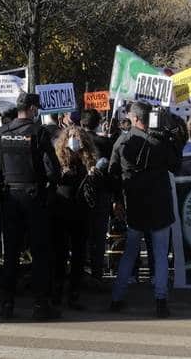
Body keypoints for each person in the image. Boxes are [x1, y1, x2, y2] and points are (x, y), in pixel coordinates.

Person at [0, 92, 61, 319]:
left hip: (10, 197)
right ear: (31, 108)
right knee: (40, 251)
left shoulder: (0, 133)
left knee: (10, 251)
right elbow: (53, 170)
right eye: (36, 108)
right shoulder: (38, 132)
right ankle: (40, 305)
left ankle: (7, 302)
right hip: (33, 198)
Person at [108, 101, 182, 318]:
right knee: (159, 255)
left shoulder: (122, 141)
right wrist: (173, 139)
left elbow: (112, 174)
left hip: (135, 205)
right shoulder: (159, 142)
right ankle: (160, 301)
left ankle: (117, 298)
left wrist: (116, 201)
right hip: (159, 205)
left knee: (129, 253)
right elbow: (176, 166)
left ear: (135, 118)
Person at [52, 125, 99, 309]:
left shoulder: (87, 158)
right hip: (62, 210)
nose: (74, 140)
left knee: (79, 254)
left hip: (80, 212)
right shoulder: (59, 158)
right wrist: (61, 174)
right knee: (60, 253)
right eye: (71, 136)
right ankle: (57, 291)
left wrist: (93, 174)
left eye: (77, 137)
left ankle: (74, 293)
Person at [80, 109, 113, 283]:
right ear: (97, 123)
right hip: (102, 194)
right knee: (99, 236)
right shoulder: (105, 142)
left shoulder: (75, 142)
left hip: (81, 195)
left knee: (82, 235)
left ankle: (81, 273)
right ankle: (97, 274)